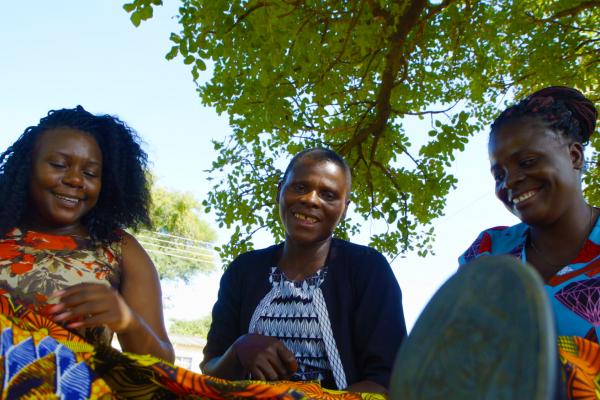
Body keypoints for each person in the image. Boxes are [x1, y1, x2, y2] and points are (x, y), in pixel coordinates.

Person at [391, 86, 598, 399]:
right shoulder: (489, 252)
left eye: (526, 162)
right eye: (499, 174)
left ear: (574, 156)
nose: (510, 181)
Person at [201, 148, 407, 394]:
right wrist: (239, 349)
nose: (310, 200)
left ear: (344, 209)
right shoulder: (243, 270)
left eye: (328, 195)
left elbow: (386, 381)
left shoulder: (367, 269)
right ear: (280, 192)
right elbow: (211, 372)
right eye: (299, 187)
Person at [0, 106, 174, 362]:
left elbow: (163, 366)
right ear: (28, 167)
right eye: (59, 165)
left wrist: (128, 322)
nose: (75, 180)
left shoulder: (120, 249)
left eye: (90, 173)